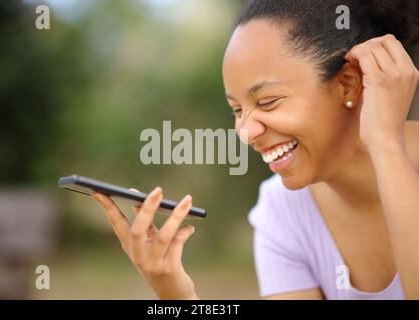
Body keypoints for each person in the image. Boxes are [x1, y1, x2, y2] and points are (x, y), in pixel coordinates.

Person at [92, 0, 419, 300]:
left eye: (267, 102)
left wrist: (386, 146)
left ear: (347, 83)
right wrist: (174, 292)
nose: (246, 133)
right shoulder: (282, 211)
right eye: (237, 110)